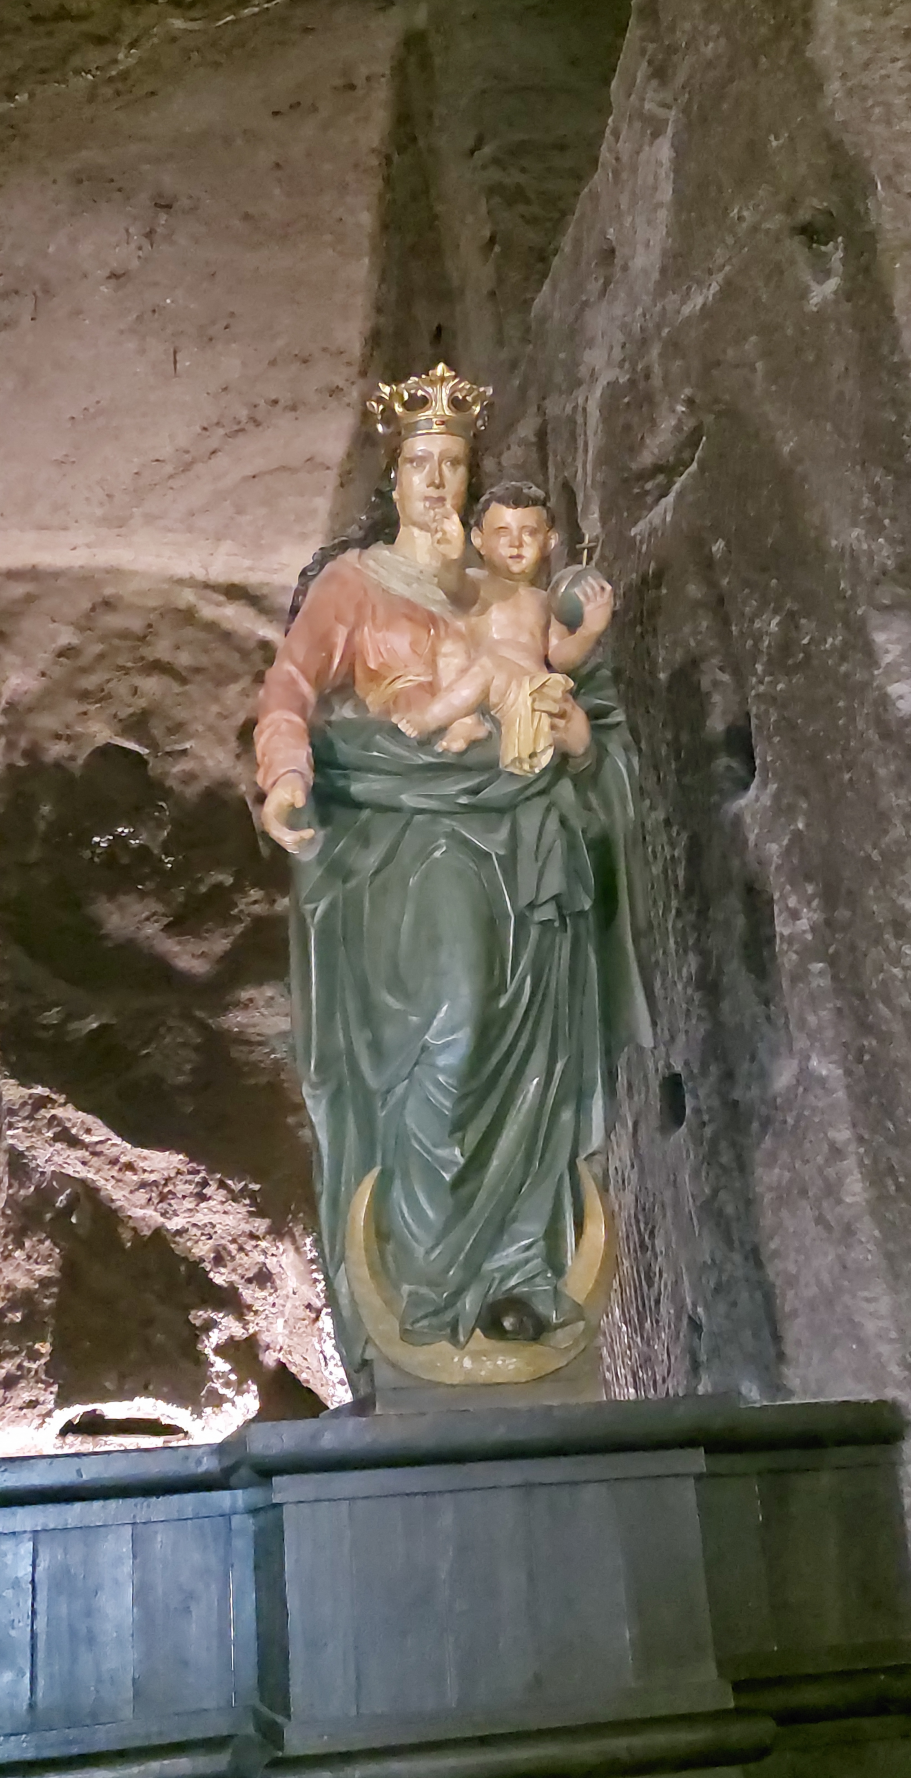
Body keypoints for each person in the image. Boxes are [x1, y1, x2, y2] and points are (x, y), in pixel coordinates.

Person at [253, 366, 649, 1382]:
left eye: (453, 464)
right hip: (416, 833)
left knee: (535, 1055)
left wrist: (575, 737)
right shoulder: (356, 585)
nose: (437, 481)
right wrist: (287, 770)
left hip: (527, 831)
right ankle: (430, 1284)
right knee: (456, 1028)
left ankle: (517, 1276)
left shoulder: (507, 589)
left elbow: (585, 702)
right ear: (394, 477)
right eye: (420, 463)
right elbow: (291, 684)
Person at [396, 482, 615, 775]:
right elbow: (453, 586)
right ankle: (461, 722)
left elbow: (560, 658)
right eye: (502, 533)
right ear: (479, 540)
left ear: (550, 541)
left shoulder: (545, 601)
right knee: (461, 646)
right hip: (488, 691)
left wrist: (589, 630)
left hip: (530, 693)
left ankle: (429, 720)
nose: (516, 544)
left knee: (493, 662)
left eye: (529, 532)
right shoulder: (476, 585)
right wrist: (450, 560)